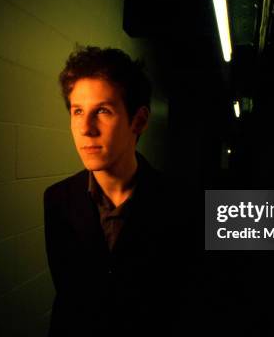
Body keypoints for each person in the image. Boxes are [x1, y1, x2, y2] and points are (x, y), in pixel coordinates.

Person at [43, 46, 199, 337]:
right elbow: (69, 299)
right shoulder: (58, 199)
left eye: (102, 111)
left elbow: (188, 305)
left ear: (138, 120)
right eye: (78, 111)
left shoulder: (183, 203)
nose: (86, 128)